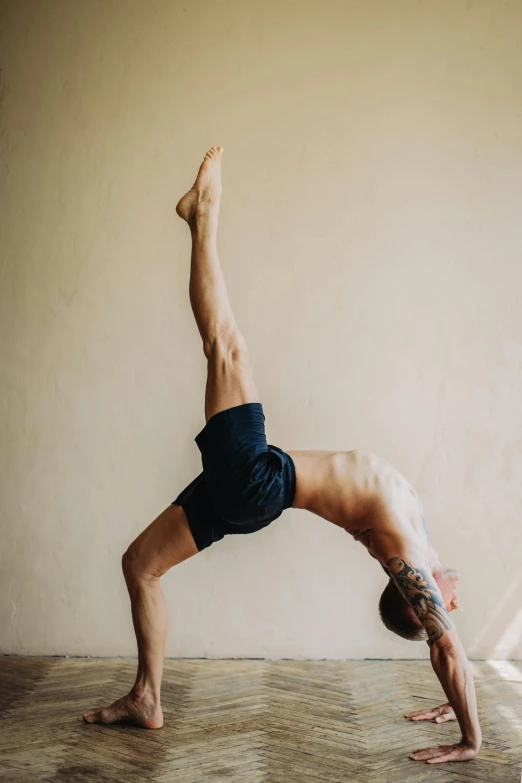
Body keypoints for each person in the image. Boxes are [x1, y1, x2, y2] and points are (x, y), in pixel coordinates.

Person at [83, 147, 481, 765]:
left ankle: (202, 217)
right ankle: (147, 698)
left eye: (443, 605)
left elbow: (447, 650)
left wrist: (469, 739)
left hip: (260, 481)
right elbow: (443, 653)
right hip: (258, 483)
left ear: (421, 600)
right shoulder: (421, 545)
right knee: (140, 564)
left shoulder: (406, 560)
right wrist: (447, 704)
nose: (455, 598)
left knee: (226, 348)